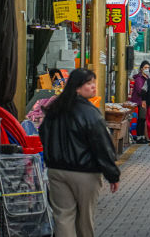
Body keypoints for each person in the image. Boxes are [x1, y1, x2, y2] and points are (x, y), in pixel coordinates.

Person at [40, 68, 120, 237]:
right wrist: (112, 174)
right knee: (85, 218)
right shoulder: (90, 113)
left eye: (93, 83)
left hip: (56, 171)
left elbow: (43, 134)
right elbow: (102, 146)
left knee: (63, 217)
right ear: (77, 87)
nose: (93, 87)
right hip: (84, 173)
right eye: (89, 83)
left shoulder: (54, 110)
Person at [130, 61, 150, 144]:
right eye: (145, 68)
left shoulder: (146, 78)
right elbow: (139, 90)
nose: (147, 69)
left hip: (143, 101)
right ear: (141, 69)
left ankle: (141, 136)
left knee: (142, 119)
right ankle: (139, 137)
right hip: (140, 101)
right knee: (141, 119)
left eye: (148, 68)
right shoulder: (139, 78)